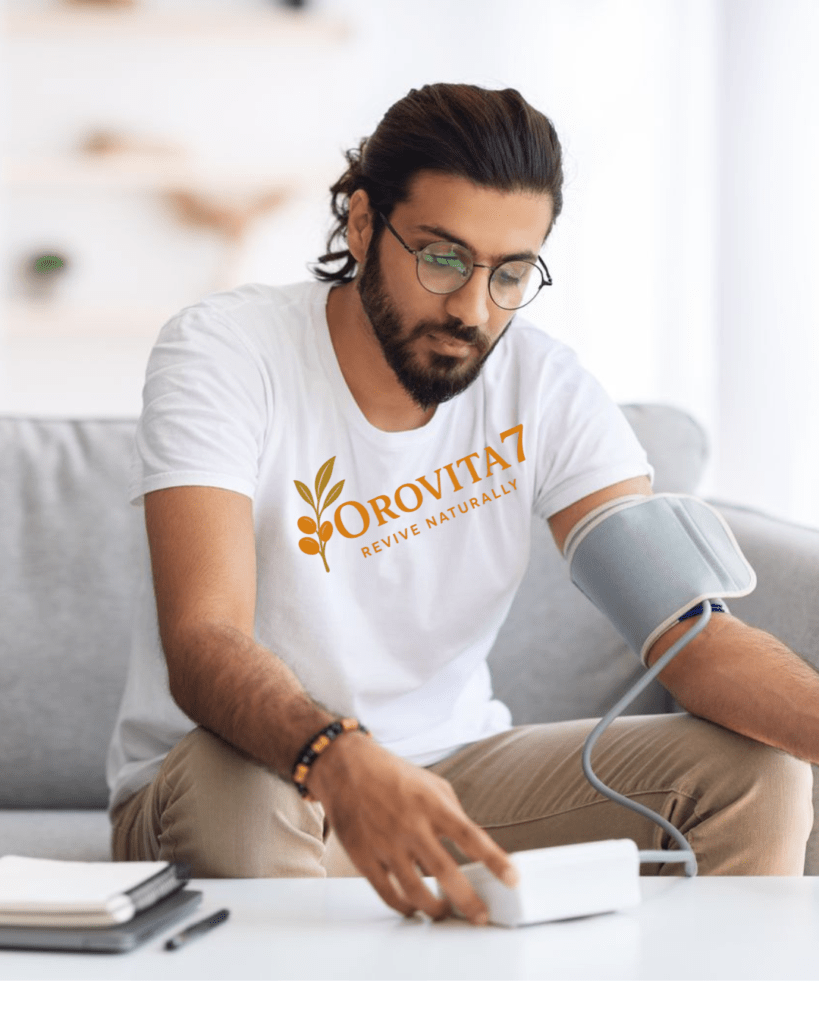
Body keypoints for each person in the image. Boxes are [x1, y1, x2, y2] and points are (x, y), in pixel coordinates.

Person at [107, 83, 815, 926]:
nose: (472, 309)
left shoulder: (543, 387)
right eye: (442, 258)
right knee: (250, 789)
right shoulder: (226, 351)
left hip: (451, 771)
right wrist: (339, 757)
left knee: (758, 774)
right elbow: (203, 640)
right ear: (364, 226)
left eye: (510, 273)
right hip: (245, 774)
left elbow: (688, 639)